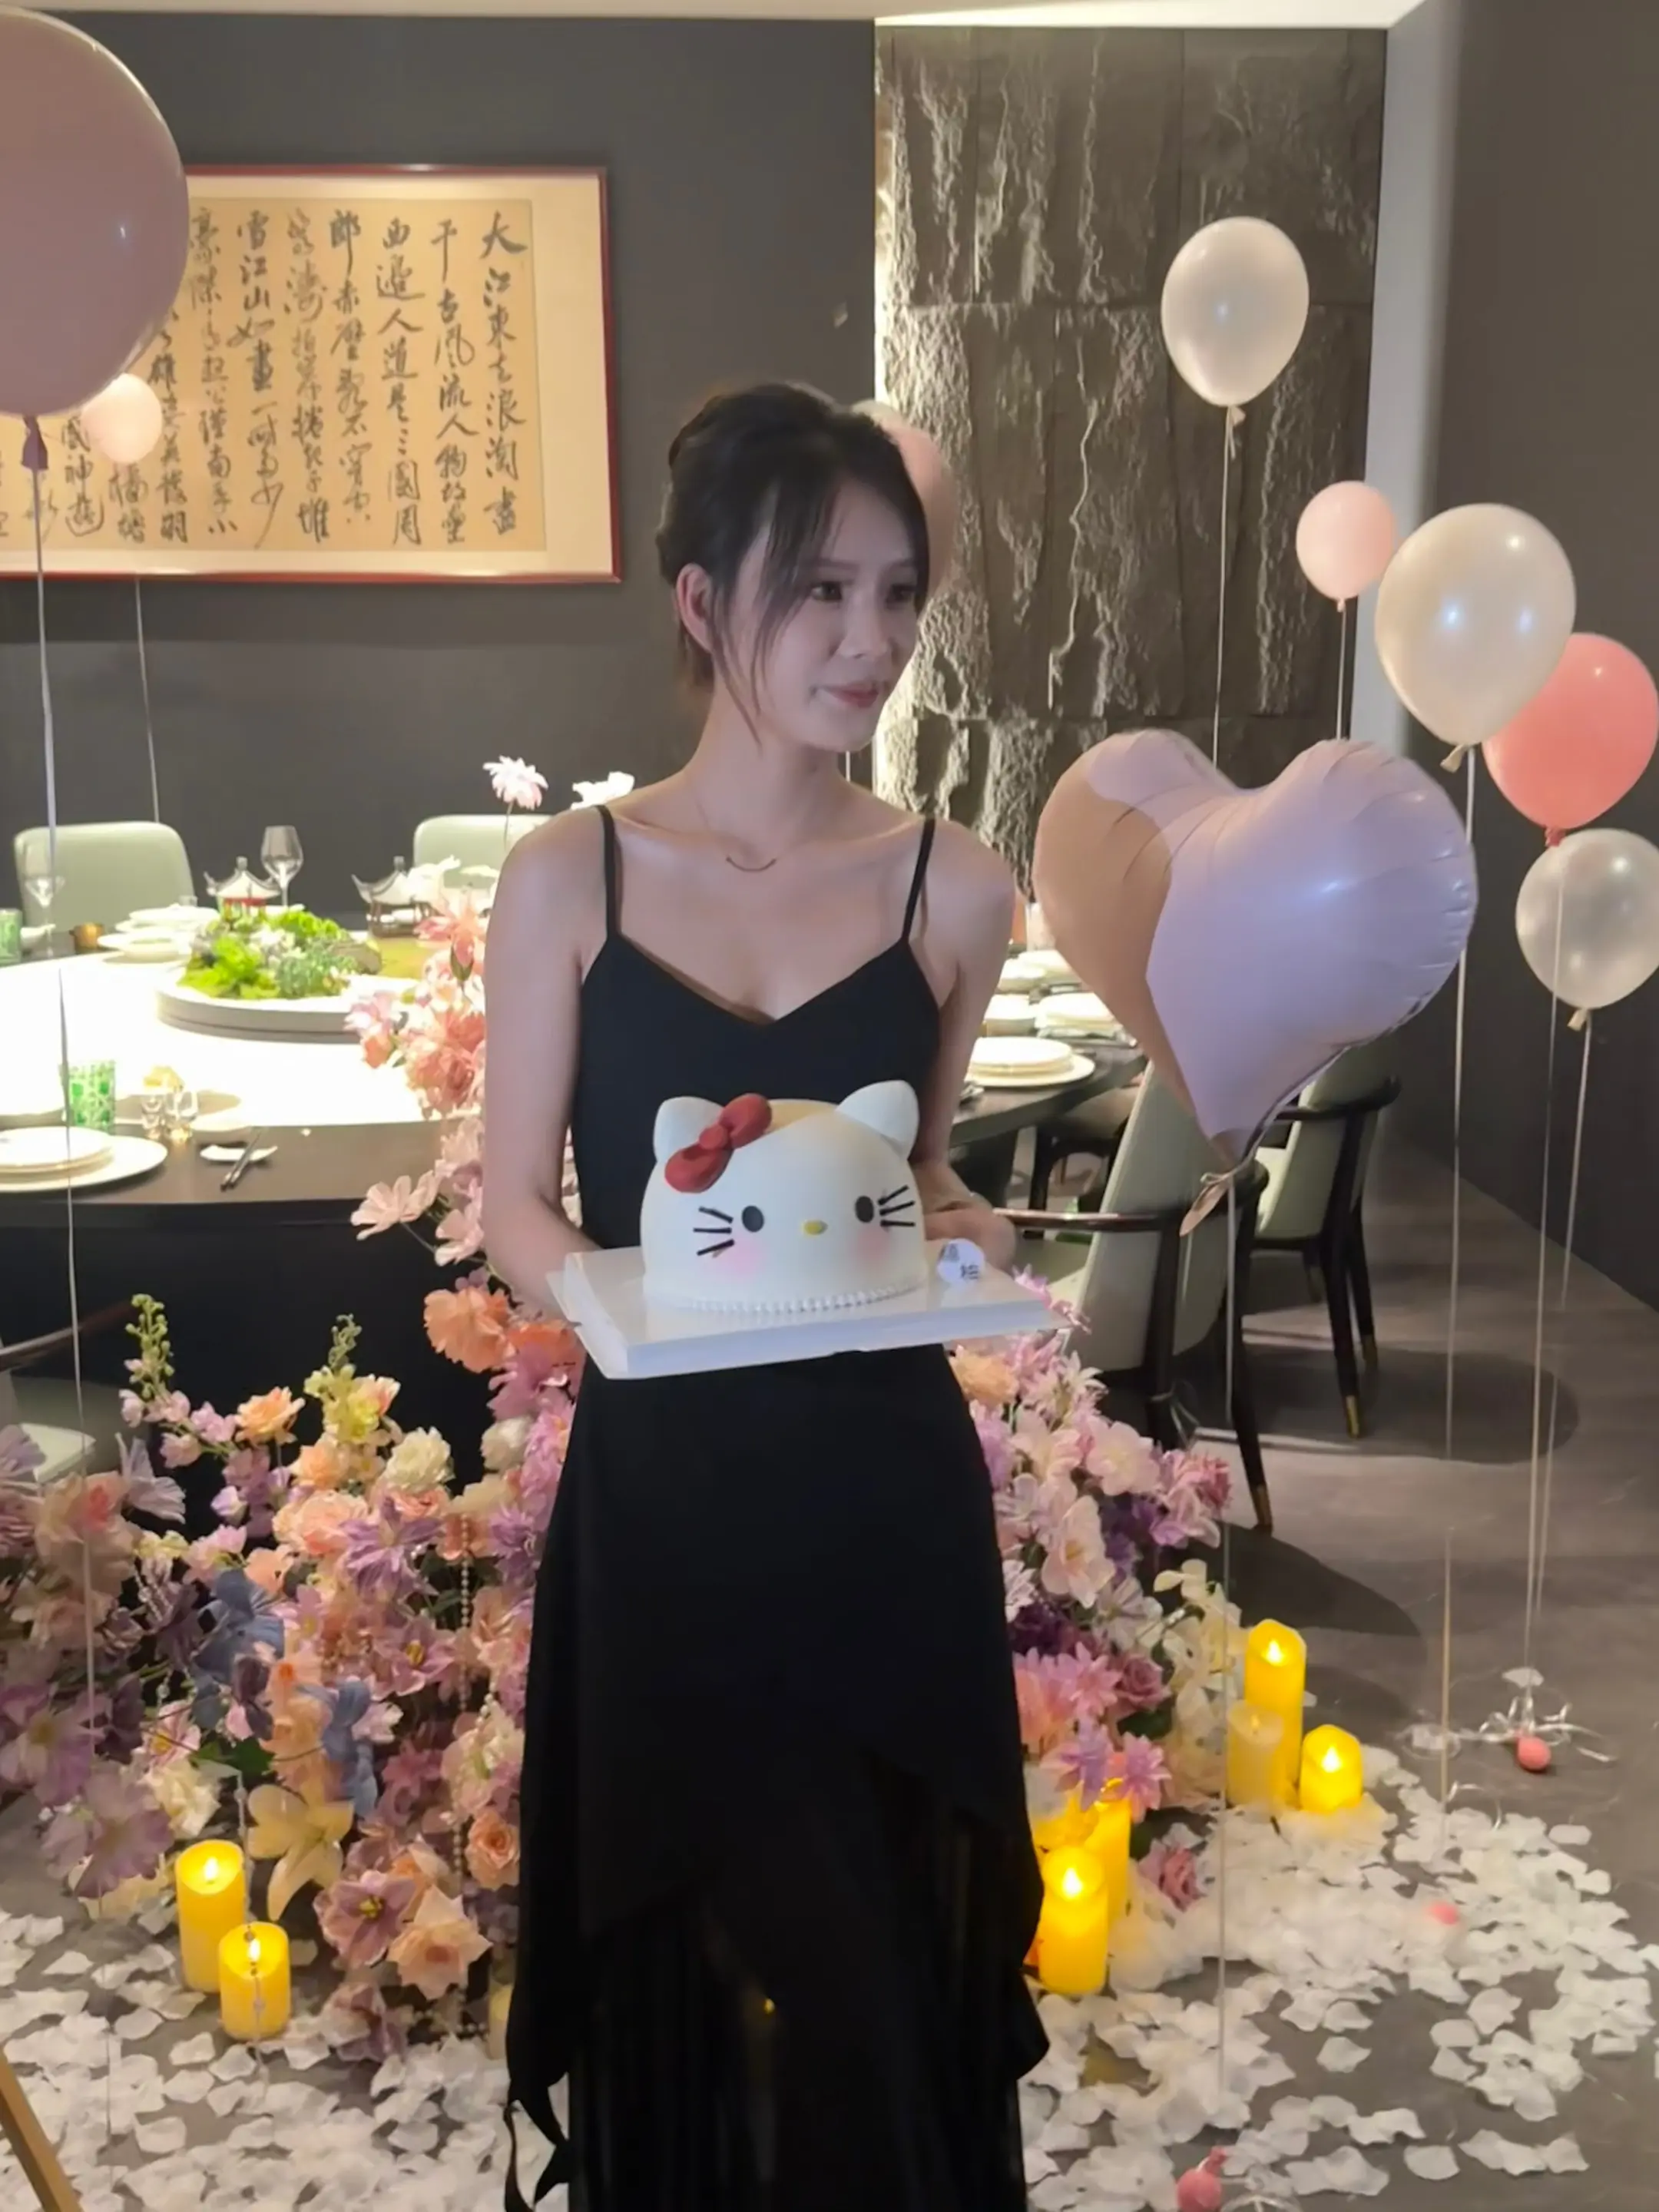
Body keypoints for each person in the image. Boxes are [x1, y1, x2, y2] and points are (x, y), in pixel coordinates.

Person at [482, 382, 1045, 2210]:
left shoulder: (953, 887)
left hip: (885, 1507)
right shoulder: (569, 878)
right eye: (820, 591)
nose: (869, 640)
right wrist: (627, 1301)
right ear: (702, 601)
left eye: (898, 594)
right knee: (697, 1971)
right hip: (669, 1512)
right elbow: (511, 1203)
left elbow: (918, 1172)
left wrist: (973, 1231)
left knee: (878, 1983)